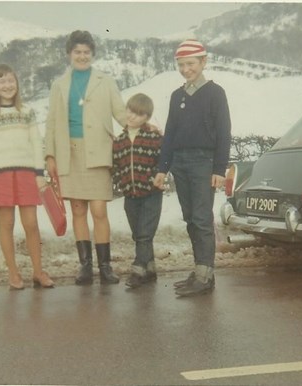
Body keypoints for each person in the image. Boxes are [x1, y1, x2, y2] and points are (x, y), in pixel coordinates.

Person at [45, 30, 127, 285]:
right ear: (69, 54)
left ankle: (105, 266)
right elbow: (51, 123)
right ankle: (85, 266)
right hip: (69, 152)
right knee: (78, 209)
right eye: (77, 52)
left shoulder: (106, 81)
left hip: (99, 151)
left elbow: (121, 113)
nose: (82, 56)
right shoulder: (59, 85)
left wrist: (141, 127)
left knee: (99, 209)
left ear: (92, 54)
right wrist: (49, 154)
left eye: (86, 52)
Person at [153, 39, 231, 297]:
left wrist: (219, 169)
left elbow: (224, 132)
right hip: (181, 163)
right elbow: (170, 135)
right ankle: (199, 269)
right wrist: (163, 167)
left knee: (201, 218)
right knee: (190, 218)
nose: (186, 69)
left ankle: (205, 274)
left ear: (203, 62)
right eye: (181, 65)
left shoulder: (215, 93)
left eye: (191, 64)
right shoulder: (177, 96)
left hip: (203, 162)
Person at [0, 63, 54, 290]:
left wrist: (39, 174)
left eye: (11, 81)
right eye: (2, 81)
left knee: (31, 223)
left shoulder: (27, 112)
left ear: (17, 84)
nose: (7, 85)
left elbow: (36, 143)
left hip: (27, 173)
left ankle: (38, 272)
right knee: (7, 223)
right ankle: (13, 273)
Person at [112, 93, 163, 288]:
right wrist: (120, 181)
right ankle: (150, 268)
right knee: (138, 233)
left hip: (151, 194)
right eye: (130, 111)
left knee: (144, 233)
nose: (133, 117)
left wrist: (157, 176)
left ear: (147, 118)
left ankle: (139, 268)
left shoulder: (154, 136)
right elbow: (116, 164)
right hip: (130, 195)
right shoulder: (120, 140)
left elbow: (163, 159)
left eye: (139, 114)